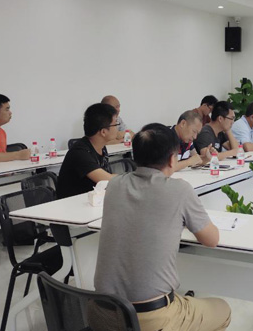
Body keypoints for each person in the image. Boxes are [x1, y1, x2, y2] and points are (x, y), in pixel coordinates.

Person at [92, 123, 231, 331]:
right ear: (172, 159)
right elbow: (212, 240)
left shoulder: (114, 185)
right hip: (148, 319)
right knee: (223, 309)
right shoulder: (180, 190)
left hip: (101, 313)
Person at [57, 103, 119, 199]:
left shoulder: (101, 147)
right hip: (72, 205)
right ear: (103, 132)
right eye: (116, 124)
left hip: (90, 201)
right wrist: (134, 178)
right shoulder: (79, 152)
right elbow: (106, 179)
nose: (118, 128)